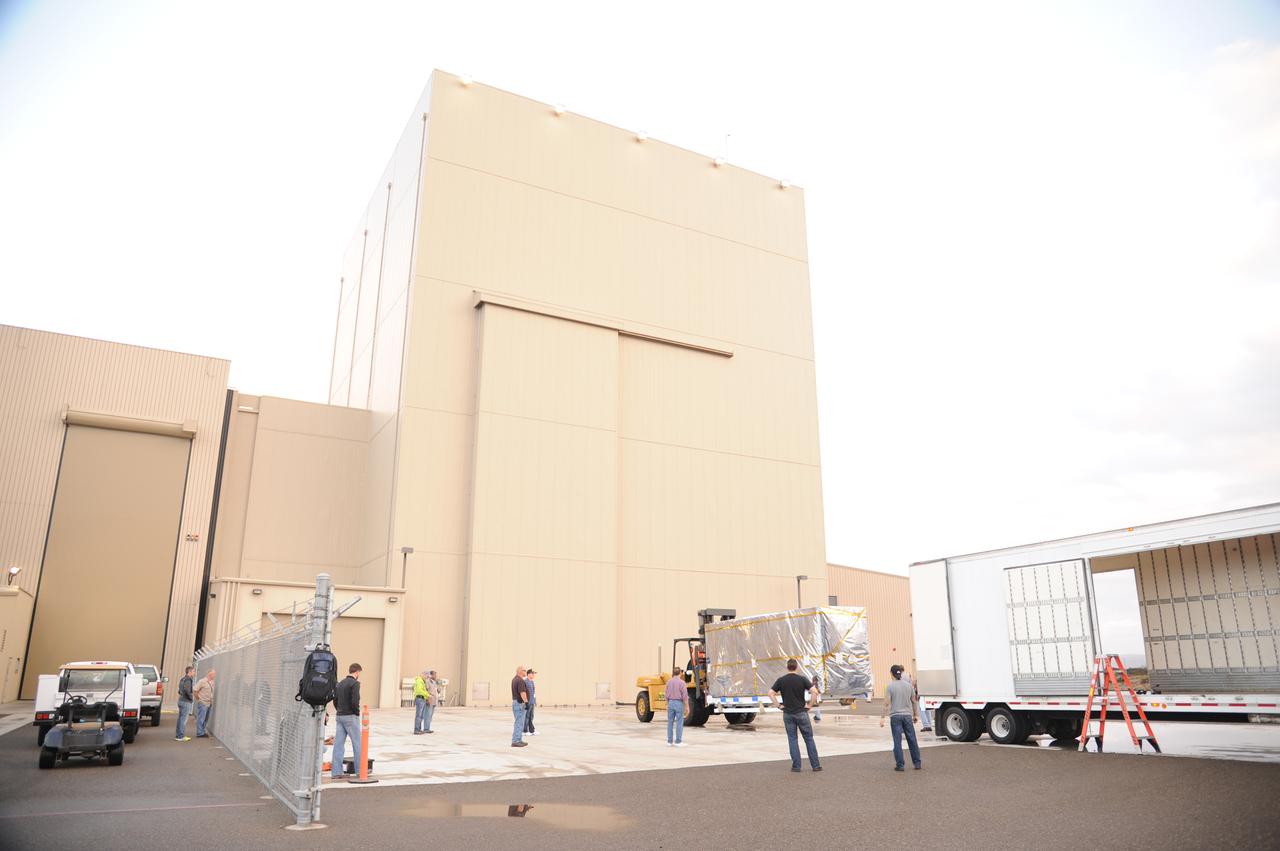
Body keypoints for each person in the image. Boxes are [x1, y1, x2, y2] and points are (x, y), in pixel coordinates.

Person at [769, 659, 822, 772]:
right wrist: (810, 705)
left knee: (792, 739)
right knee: (808, 739)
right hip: (801, 713)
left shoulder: (781, 680)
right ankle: (815, 766)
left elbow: (771, 693)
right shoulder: (802, 679)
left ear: (787, 667)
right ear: (796, 667)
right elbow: (815, 692)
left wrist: (779, 706)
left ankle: (796, 766)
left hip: (788, 714)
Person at [881, 663, 921, 771]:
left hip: (895, 716)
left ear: (891, 674)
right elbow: (914, 701)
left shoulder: (890, 686)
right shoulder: (909, 686)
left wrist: (882, 717)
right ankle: (917, 763)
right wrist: (915, 715)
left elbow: (886, 703)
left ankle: (900, 765)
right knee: (912, 739)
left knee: (897, 741)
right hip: (907, 716)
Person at [330, 663, 362, 781]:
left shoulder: (340, 683)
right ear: (357, 672)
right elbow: (355, 701)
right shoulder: (355, 684)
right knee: (357, 744)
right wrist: (356, 713)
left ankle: (336, 772)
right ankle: (360, 771)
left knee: (338, 744)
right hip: (350, 716)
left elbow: (335, 699)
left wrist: (339, 710)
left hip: (340, 716)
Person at [664, 667, 688, 746]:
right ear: (680, 673)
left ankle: (669, 741)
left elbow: (666, 694)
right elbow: (685, 696)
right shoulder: (682, 683)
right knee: (679, 723)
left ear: (673, 673)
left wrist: (667, 704)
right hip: (678, 703)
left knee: (670, 723)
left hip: (670, 702)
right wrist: (687, 707)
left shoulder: (668, 682)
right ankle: (678, 741)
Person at [192, 669, 215, 738]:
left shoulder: (212, 682)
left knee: (206, 718)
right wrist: (199, 699)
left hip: (209, 703)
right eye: (213, 674)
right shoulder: (202, 681)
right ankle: (199, 733)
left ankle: (202, 731)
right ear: (209, 674)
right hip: (203, 703)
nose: (214, 675)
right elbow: (195, 690)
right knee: (201, 718)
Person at [174, 666, 195, 741]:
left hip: (181, 700)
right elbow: (187, 690)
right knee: (183, 719)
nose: (194, 673)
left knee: (180, 719)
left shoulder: (182, 679)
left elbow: (179, 690)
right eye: (193, 671)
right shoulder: (188, 680)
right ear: (189, 672)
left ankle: (178, 735)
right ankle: (180, 736)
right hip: (185, 701)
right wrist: (191, 698)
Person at [511, 666, 529, 747]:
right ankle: (516, 741)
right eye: (524, 670)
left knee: (519, 722)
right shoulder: (520, 680)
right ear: (520, 671)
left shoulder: (515, 679)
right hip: (520, 703)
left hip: (516, 703)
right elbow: (522, 693)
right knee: (519, 722)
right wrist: (526, 702)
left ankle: (518, 739)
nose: (526, 672)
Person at [413, 669, 431, 734]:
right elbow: (419, 691)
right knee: (419, 715)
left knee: (421, 716)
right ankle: (416, 729)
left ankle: (419, 729)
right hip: (420, 699)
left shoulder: (422, 681)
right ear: (424, 674)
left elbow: (424, 690)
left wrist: (427, 696)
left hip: (422, 699)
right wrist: (427, 695)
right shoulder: (419, 681)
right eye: (427, 676)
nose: (427, 678)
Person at [523, 668, 538, 736]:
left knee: (531, 716)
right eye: (532, 674)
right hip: (528, 702)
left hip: (532, 702)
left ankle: (531, 730)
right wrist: (525, 701)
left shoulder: (531, 682)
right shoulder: (525, 681)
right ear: (528, 674)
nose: (533, 675)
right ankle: (525, 730)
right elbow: (524, 692)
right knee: (527, 716)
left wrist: (535, 701)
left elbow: (533, 692)